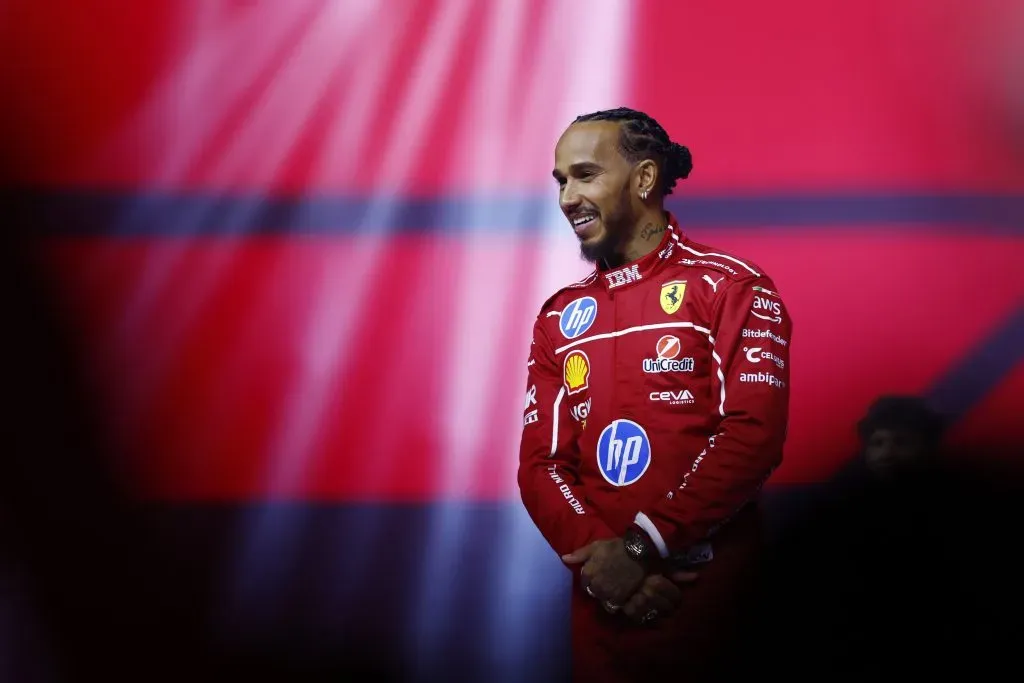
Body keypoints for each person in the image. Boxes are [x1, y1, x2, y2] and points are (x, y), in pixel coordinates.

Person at [517, 107, 793, 681]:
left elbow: (752, 436)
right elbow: (540, 465)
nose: (567, 197)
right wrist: (606, 568)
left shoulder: (729, 285)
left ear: (644, 180)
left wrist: (640, 550)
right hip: (604, 616)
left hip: (716, 611)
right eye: (561, 181)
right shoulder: (560, 316)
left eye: (585, 175)